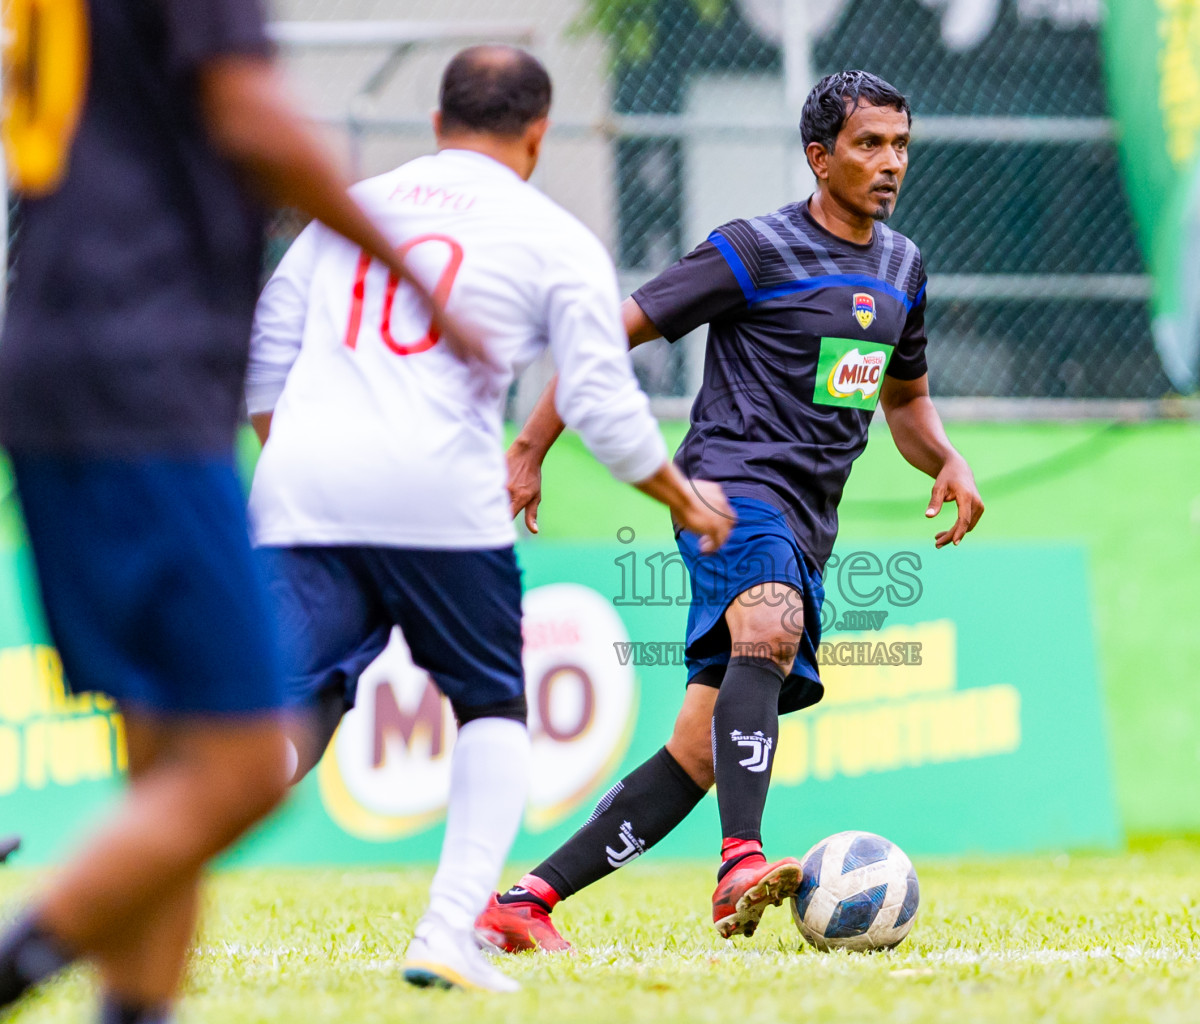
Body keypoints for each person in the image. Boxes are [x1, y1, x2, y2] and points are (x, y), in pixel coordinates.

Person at [0, 0, 482, 1020]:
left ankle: (136, 1009)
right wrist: (409, 276)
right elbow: (248, 110)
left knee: (165, 756)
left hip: (61, 353)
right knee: (239, 762)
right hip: (139, 370)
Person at [245, 46, 734, 992]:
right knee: (492, 706)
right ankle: (445, 931)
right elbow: (598, 400)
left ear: (436, 123)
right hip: (440, 501)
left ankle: (138, 870)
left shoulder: (351, 211)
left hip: (305, 492)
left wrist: (298, 458)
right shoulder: (552, 236)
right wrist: (679, 495)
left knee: (278, 714)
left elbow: (268, 344)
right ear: (539, 134)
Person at [476, 70, 985, 953]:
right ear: (819, 157)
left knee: (700, 751)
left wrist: (946, 457)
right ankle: (739, 863)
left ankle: (523, 903)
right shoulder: (752, 250)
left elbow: (904, 403)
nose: (891, 162)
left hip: (806, 522)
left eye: (901, 144)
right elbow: (605, 330)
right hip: (725, 489)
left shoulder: (903, 267)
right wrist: (530, 446)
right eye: (869, 144)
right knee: (771, 623)